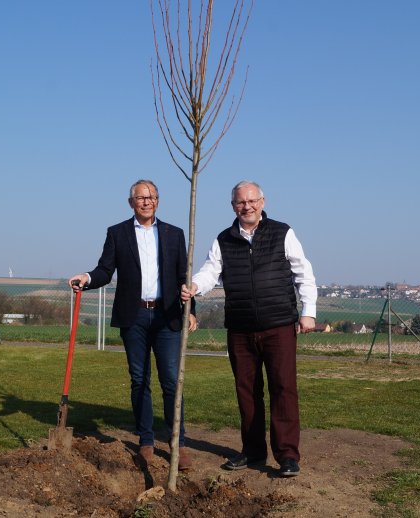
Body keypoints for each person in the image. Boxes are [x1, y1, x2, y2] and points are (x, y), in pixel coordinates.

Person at [181, 180, 316, 477]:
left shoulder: (283, 232)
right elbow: (210, 271)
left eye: (252, 201)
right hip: (240, 328)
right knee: (247, 391)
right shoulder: (223, 239)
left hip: (278, 325)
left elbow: (303, 273)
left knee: (283, 389)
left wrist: (308, 313)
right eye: (241, 202)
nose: (247, 206)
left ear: (263, 202)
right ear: (233, 206)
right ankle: (253, 451)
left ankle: (287, 455)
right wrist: (195, 287)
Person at [69, 179, 197, 470]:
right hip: (134, 316)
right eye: (140, 197)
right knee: (139, 380)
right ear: (131, 203)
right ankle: (146, 441)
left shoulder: (174, 234)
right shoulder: (117, 233)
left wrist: (191, 310)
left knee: (170, 381)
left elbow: (183, 276)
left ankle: (179, 443)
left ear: (158, 201)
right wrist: (87, 279)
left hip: (167, 315)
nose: (146, 201)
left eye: (151, 196)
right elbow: (105, 269)